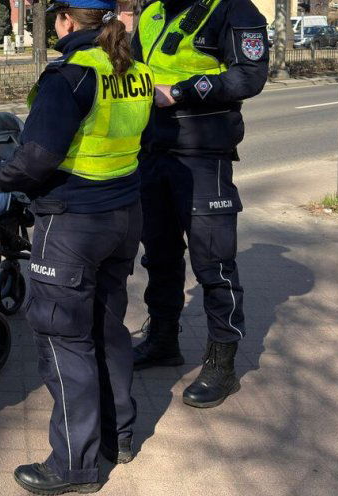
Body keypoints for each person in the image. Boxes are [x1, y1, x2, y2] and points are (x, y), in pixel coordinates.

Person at [0, 1, 154, 493]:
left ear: (65, 21)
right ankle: (117, 437)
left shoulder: (71, 76)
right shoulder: (135, 70)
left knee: (64, 339)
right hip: (124, 213)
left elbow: (36, 157)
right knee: (107, 329)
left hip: (72, 223)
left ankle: (72, 466)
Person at [130, 0, 269, 408]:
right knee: (159, 254)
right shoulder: (153, 11)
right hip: (152, 149)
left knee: (214, 263)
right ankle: (162, 341)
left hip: (203, 154)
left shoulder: (235, 10)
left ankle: (222, 364)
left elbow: (250, 75)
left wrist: (181, 92)